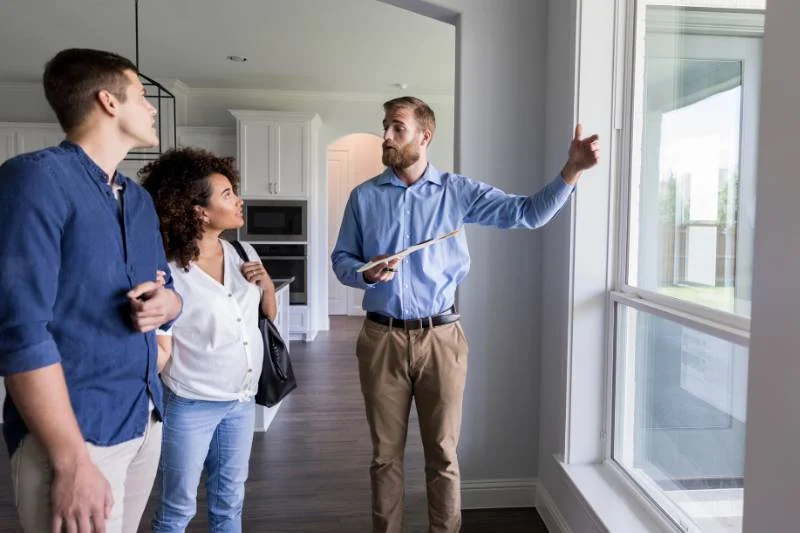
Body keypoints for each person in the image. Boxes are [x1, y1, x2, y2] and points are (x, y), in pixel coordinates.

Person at [331, 96, 600, 533]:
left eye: (397, 127)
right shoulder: (363, 197)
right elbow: (342, 260)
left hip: (442, 339)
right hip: (381, 339)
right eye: (385, 126)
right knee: (384, 457)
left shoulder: (457, 193)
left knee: (443, 454)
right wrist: (366, 273)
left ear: (425, 135)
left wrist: (571, 171)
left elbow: (528, 214)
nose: (386, 135)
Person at [0, 48, 183, 533]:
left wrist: (170, 305)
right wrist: (71, 460)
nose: (151, 107)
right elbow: (20, 333)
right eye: (142, 96)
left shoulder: (139, 199)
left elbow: (165, 292)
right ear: (108, 101)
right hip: (76, 435)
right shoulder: (33, 179)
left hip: (142, 421)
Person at [139, 147, 276, 532]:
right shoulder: (166, 268)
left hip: (240, 401)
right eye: (227, 194)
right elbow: (157, 342)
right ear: (198, 210)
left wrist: (266, 285)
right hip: (190, 404)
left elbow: (266, 316)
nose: (239, 199)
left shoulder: (242, 251)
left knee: (230, 504)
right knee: (176, 511)